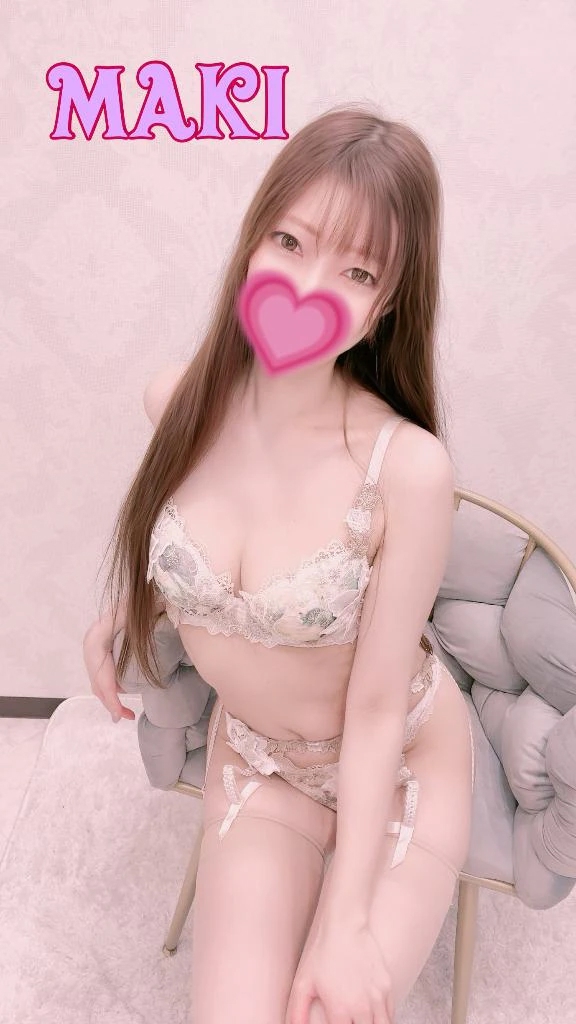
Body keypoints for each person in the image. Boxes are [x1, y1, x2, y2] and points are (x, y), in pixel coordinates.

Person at [84, 103, 475, 1024]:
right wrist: (124, 609)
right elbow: (186, 537)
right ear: (251, 242)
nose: (309, 284)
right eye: (289, 241)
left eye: (358, 271)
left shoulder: (407, 470)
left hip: (402, 762)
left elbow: (374, 706)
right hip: (260, 757)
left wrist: (346, 920)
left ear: (387, 305)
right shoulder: (178, 403)